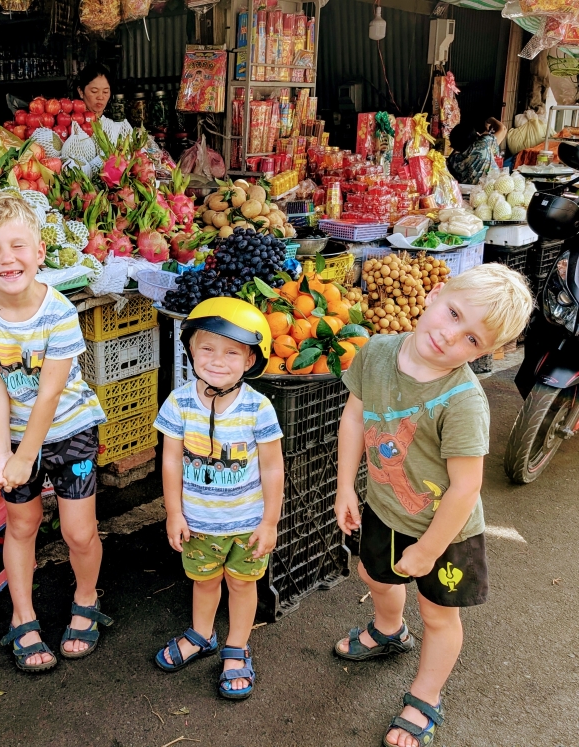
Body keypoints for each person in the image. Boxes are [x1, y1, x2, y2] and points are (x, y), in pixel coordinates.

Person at [333, 263, 533, 747]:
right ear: (435, 294)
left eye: (471, 339)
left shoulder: (463, 402)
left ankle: (426, 695)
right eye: (454, 314)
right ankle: (389, 630)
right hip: (384, 507)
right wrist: (344, 488)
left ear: (483, 354)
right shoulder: (376, 352)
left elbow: (465, 488)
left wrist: (427, 549)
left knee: (439, 615)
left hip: (446, 531)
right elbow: (354, 418)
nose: (449, 336)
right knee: (375, 577)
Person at [0, 192, 109, 673]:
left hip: (70, 429)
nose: (7, 258)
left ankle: (87, 598)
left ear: (39, 252)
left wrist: (25, 456)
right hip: (17, 436)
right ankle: (23, 615)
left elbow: (49, 393)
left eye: (18, 246)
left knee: (78, 532)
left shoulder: (58, 312)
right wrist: (3, 454)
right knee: (21, 526)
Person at [152, 298, 285, 701]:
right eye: (207, 348)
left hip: (247, 524)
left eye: (231, 352)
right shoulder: (179, 402)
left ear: (250, 360)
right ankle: (201, 634)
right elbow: (170, 460)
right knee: (204, 581)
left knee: (242, 585)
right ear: (190, 350)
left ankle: (237, 646)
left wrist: (269, 522)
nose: (217, 360)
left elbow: (273, 468)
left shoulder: (258, 408)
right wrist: (173, 512)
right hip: (198, 522)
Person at [446, 117, 507, 185]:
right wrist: (490, 120)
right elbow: (503, 129)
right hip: (493, 188)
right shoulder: (484, 144)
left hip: (468, 190)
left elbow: (457, 149)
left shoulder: (453, 160)